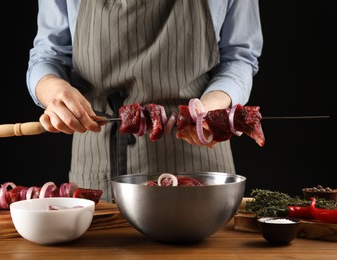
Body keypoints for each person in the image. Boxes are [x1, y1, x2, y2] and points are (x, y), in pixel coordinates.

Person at [26, 0, 263, 201]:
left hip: (198, 163)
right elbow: (49, 54)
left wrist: (216, 101)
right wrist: (51, 88)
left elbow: (239, 57)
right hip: (98, 161)